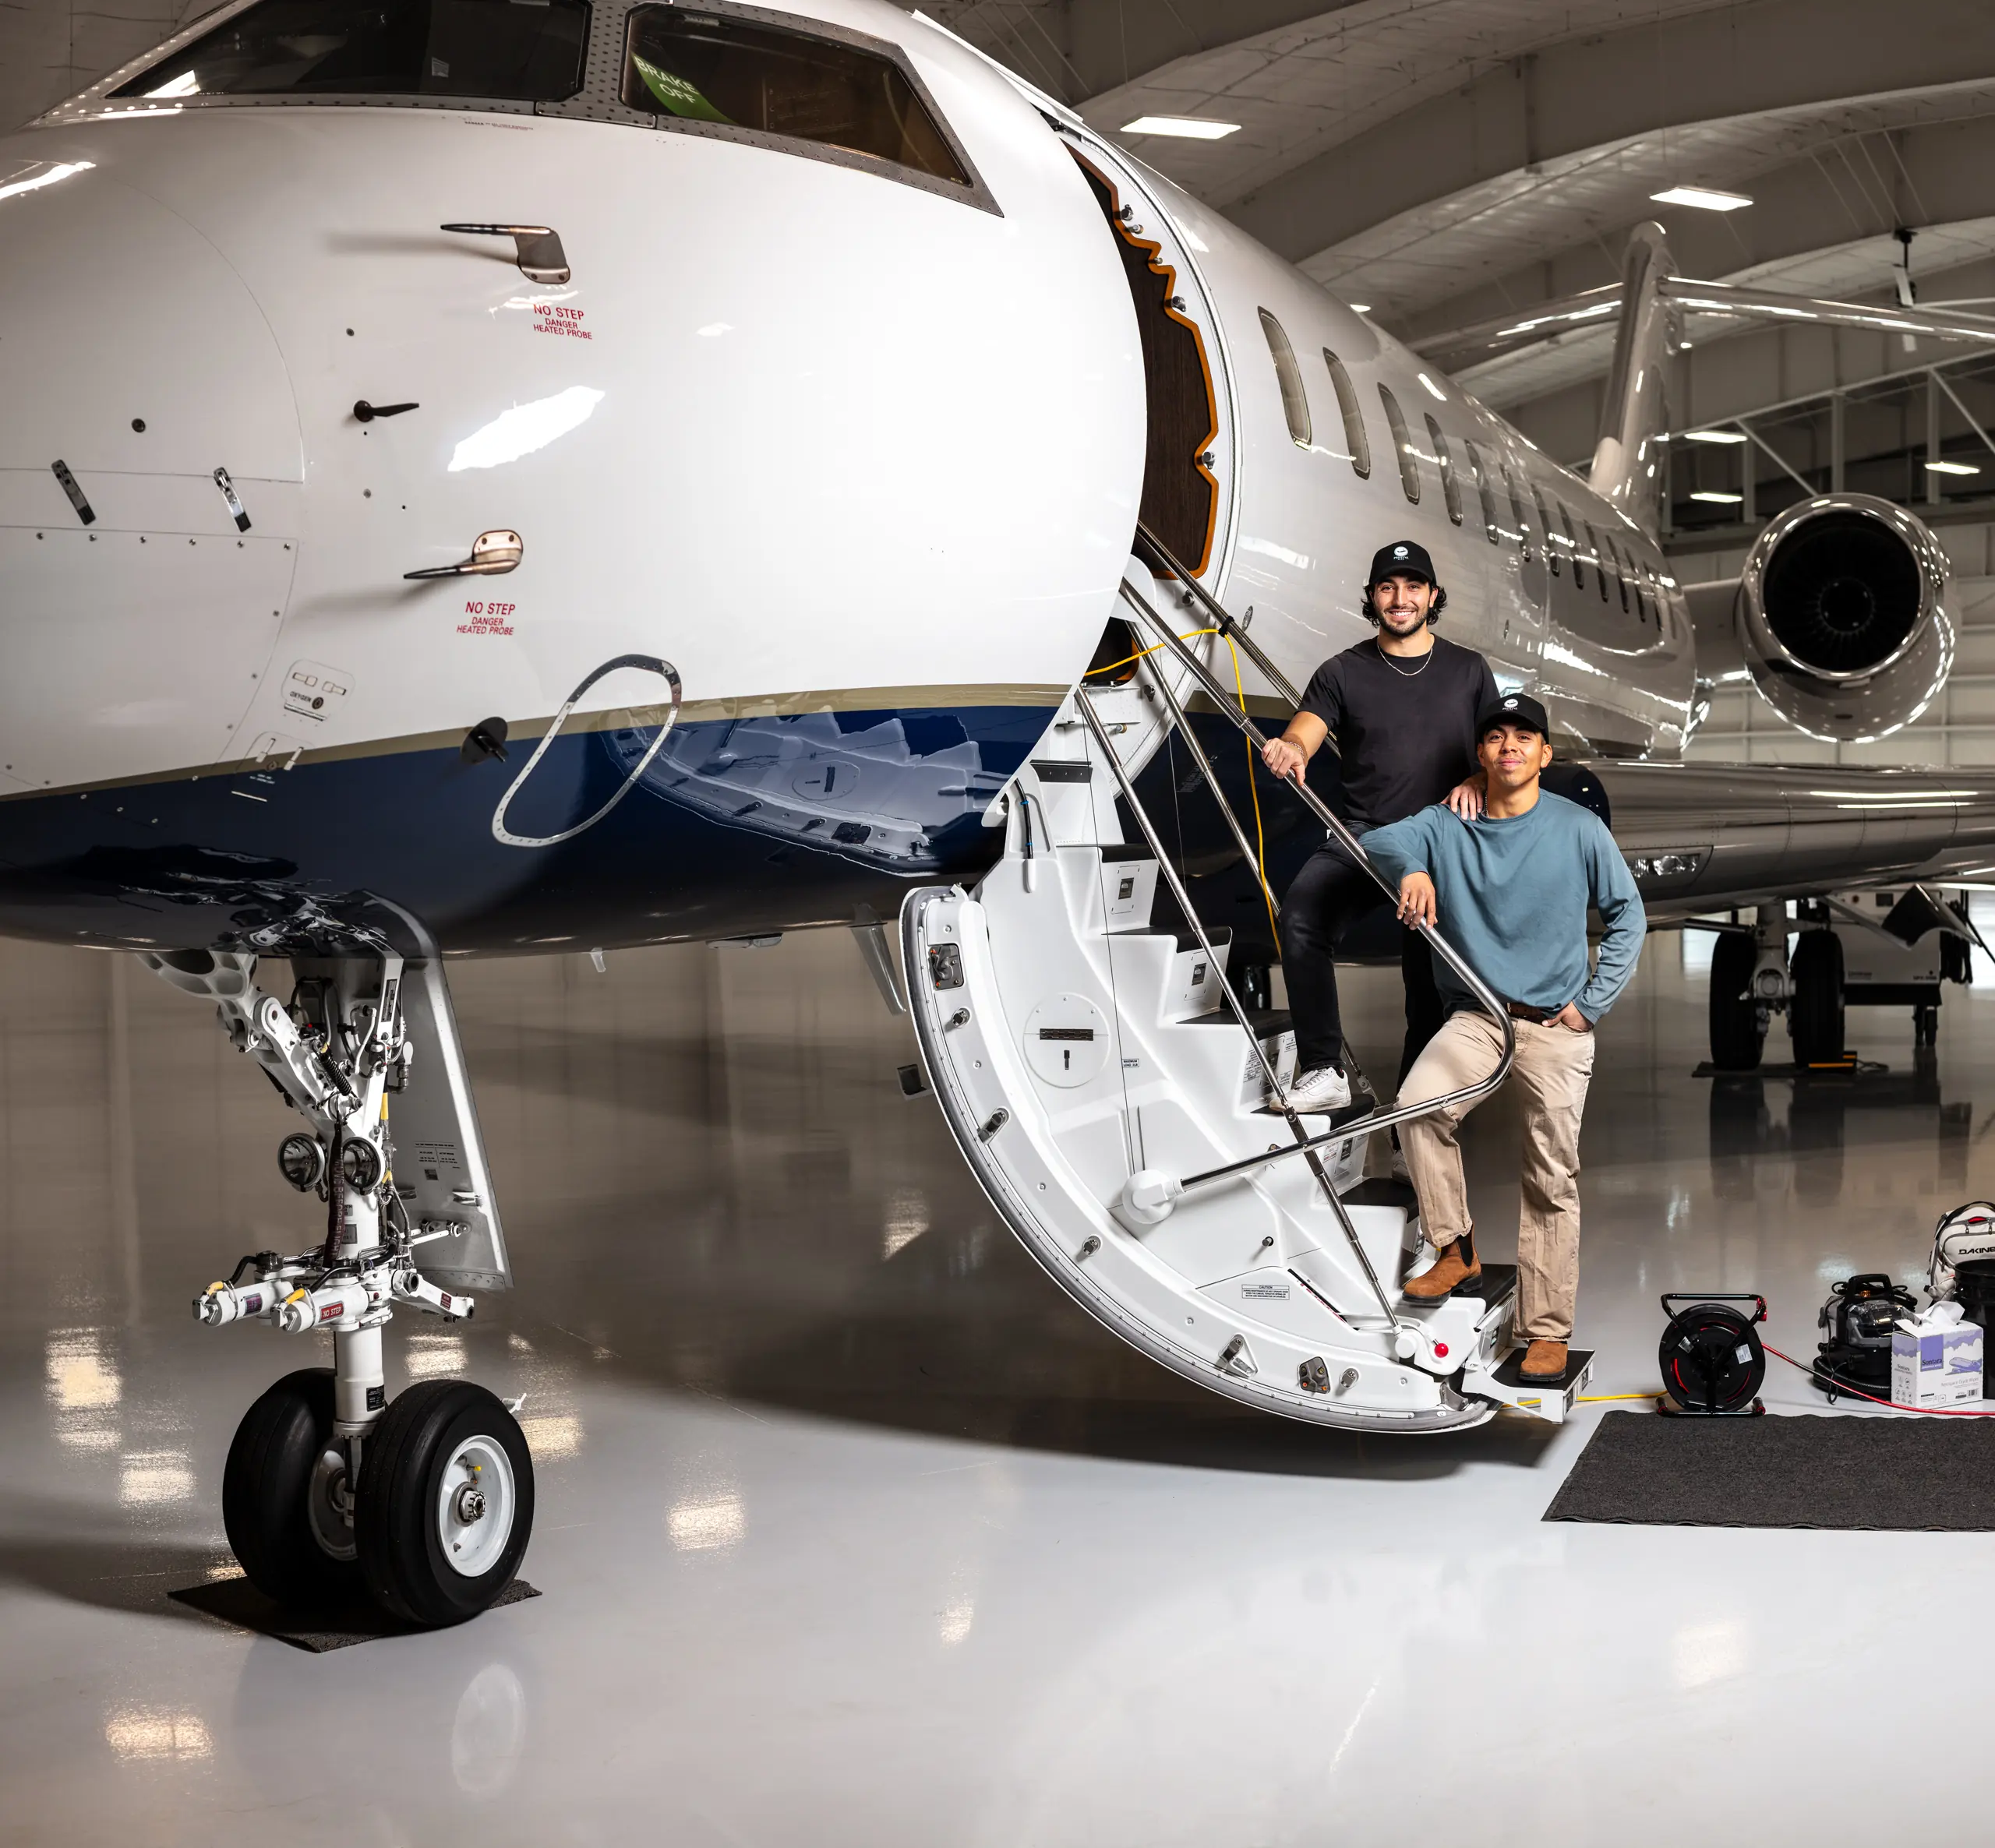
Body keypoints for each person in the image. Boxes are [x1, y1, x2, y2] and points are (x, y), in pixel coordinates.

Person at [1360, 693, 1645, 1381]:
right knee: (1419, 1107)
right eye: (1495, 737)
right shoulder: (1445, 821)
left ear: (1545, 754)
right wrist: (1416, 867)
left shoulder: (1578, 829)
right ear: (1480, 754)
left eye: (1524, 737)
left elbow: (1626, 914)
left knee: (1551, 1176)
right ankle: (1453, 1246)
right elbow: (1375, 840)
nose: (1509, 746)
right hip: (1479, 1018)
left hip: (1555, 1024)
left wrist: (1590, 1006)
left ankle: (1545, 1329)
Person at [1259, 540, 1499, 1114]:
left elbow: (1500, 748)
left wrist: (1478, 779)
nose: (1401, 598)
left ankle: (1407, 1132)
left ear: (1433, 596)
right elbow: (1307, 730)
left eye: (1414, 586)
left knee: (1426, 995)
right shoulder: (1344, 671)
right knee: (1301, 917)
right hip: (1365, 838)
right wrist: (1290, 748)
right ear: (1372, 598)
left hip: (1440, 843)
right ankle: (1322, 1069)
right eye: (1388, 587)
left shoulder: (1468, 670)